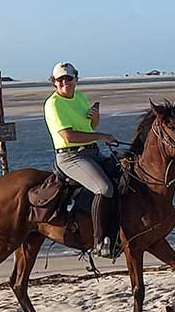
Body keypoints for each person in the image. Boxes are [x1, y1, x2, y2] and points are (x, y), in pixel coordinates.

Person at [44, 62, 120, 259]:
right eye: (60, 79)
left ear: (76, 79)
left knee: (124, 175)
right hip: (71, 156)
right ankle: (99, 241)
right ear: (54, 82)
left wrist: (95, 118)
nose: (65, 82)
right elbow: (68, 136)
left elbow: (90, 126)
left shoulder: (80, 97)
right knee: (104, 188)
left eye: (69, 78)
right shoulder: (53, 104)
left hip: (91, 152)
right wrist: (102, 136)